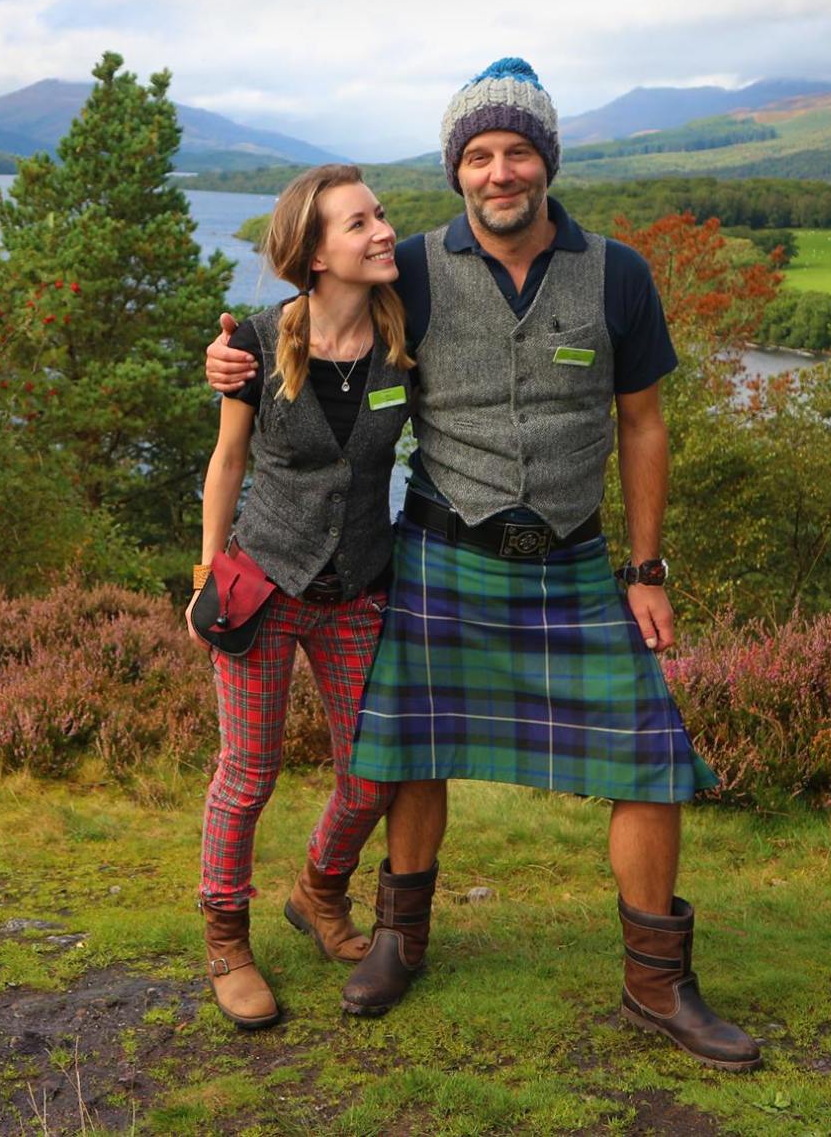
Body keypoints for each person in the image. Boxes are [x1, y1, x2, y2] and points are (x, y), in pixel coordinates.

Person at [204, 59, 760, 1071]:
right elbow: (317, 322)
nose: (498, 172)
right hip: (441, 550)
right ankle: (398, 939)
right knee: (416, 749)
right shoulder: (409, 268)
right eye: (478, 156)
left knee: (651, 757)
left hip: (577, 559)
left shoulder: (618, 273)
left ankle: (656, 981)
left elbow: (643, 426)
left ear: (545, 160)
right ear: (457, 172)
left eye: (516, 152)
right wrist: (232, 356)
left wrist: (646, 568)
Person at [189, 163, 414, 1030]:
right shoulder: (251, 340)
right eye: (358, 224)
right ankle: (226, 943)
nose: (381, 231)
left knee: (371, 775)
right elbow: (229, 463)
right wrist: (208, 573)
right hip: (264, 589)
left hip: (359, 589)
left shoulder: (404, 339)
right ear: (314, 255)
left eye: (381, 215)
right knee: (248, 777)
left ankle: (318, 893)